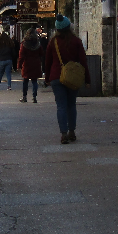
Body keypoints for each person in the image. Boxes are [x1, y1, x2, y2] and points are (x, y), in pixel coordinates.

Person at [44, 15, 90, 144]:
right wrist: (87, 79)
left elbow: (47, 62)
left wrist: (47, 78)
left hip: (56, 77)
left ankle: (63, 133)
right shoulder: (76, 41)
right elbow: (83, 61)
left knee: (61, 106)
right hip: (72, 77)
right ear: (69, 26)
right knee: (71, 105)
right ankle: (72, 131)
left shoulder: (53, 42)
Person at [18, 29, 44, 103]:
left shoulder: (24, 44)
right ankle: (34, 97)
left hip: (27, 64)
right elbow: (41, 53)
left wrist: (19, 65)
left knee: (25, 81)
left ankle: (24, 97)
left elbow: (21, 56)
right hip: (36, 63)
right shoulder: (38, 44)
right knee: (34, 81)